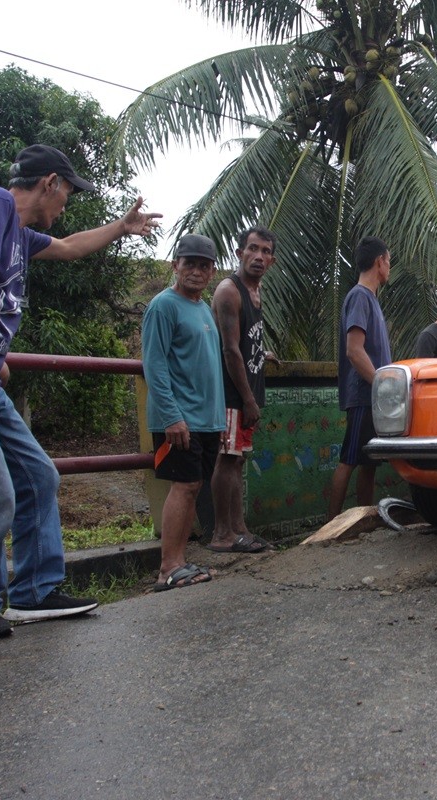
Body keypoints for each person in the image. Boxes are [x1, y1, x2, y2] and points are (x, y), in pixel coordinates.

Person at [0, 144, 161, 638]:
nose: (66, 205)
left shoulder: (17, 231)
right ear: (50, 183)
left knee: (38, 476)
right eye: (67, 193)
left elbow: (69, 247)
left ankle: (34, 593)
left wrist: (121, 229)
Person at [142, 234, 225, 590]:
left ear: (212, 271)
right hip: (179, 420)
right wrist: (172, 416)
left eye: (203, 265)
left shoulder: (204, 309)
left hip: (206, 420)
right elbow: (155, 365)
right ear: (175, 265)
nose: (196, 271)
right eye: (189, 263)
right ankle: (168, 568)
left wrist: (218, 418)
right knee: (185, 485)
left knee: (194, 487)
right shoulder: (163, 306)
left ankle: (179, 562)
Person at [208, 227, 279, 553]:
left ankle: (240, 530)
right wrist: (249, 400)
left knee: (236, 460)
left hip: (246, 390)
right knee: (227, 459)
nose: (259, 257)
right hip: (232, 394)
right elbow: (229, 350)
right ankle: (222, 533)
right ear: (239, 253)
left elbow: (245, 341)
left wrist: (262, 354)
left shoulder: (255, 290)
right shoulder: (229, 291)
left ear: (272, 260)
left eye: (265, 251)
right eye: (253, 249)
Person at [328, 236, 392, 521]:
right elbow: (354, 351)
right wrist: (382, 385)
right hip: (364, 395)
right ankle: (330, 525)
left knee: (370, 461)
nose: (389, 267)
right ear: (380, 261)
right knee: (350, 459)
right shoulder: (359, 296)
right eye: (388, 261)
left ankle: (364, 520)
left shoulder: (372, 299)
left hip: (372, 396)